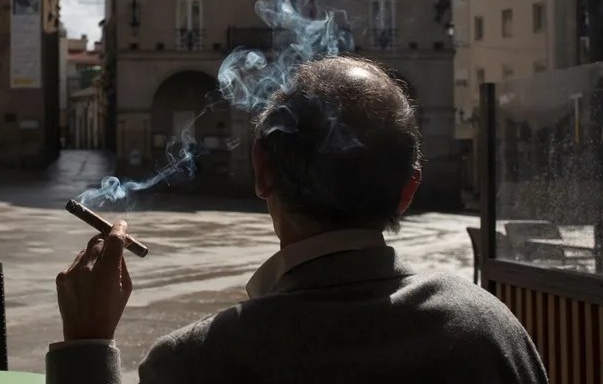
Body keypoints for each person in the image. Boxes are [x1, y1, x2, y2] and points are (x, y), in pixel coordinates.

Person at [46, 56, 547, 384]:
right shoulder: (489, 333)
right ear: (407, 191)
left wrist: (86, 344)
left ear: (262, 169)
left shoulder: (194, 362)